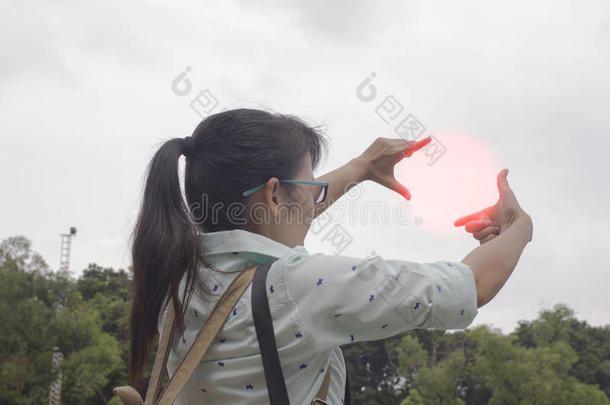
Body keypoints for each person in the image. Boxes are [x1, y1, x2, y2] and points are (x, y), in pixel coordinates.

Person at [127, 108, 533, 404]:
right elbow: (469, 286)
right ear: (273, 194)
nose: (316, 194)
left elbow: (275, 216)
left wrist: (360, 168)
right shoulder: (298, 287)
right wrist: (519, 226)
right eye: (309, 184)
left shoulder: (174, 279)